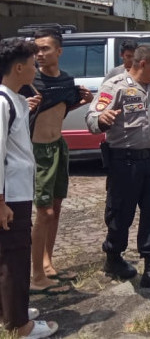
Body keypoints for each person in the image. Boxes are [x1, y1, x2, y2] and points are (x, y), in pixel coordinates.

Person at [85, 44, 150, 294]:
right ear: (142, 64)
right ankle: (113, 258)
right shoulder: (115, 86)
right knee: (120, 215)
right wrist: (101, 120)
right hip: (125, 163)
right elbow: (92, 117)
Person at [22, 28, 93, 294]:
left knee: (57, 207)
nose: (40, 54)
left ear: (59, 51)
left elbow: (60, 107)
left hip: (58, 147)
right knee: (44, 212)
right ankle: (37, 274)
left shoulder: (66, 80)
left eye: (45, 48)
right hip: (36, 150)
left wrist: (83, 101)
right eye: (37, 49)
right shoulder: (30, 81)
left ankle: (48, 262)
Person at [0, 38, 59, 338]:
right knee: (15, 256)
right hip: (9, 194)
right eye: (33, 63)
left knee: (11, 254)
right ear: (19, 67)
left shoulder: (14, 99)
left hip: (17, 190)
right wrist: (1, 202)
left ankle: (11, 309)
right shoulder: (1, 101)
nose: (37, 68)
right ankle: (18, 324)